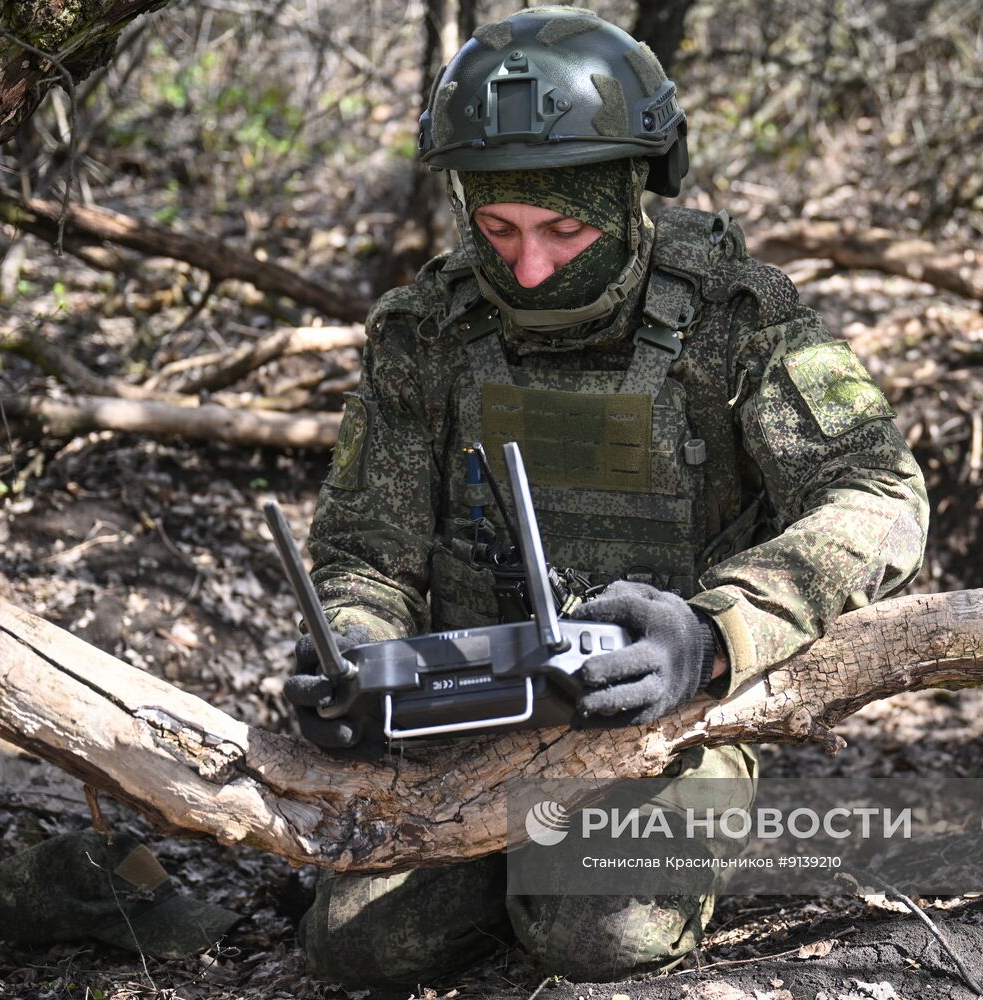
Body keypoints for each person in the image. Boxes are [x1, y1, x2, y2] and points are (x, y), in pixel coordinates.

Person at [285, 5, 929, 986]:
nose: (528, 264)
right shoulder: (424, 330)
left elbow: (880, 493)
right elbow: (366, 548)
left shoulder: (738, 318)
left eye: (562, 227)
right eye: (496, 227)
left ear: (638, 194)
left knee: (602, 931)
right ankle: (503, 868)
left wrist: (714, 634)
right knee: (362, 943)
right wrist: (352, 648)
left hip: (665, 725)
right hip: (468, 719)